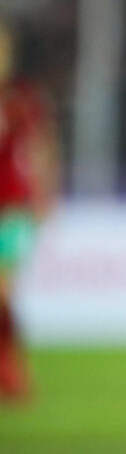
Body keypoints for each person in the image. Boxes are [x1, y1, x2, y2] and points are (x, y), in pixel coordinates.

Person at [0, 21, 59, 402]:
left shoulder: (21, 99)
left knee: (4, 290)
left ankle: (11, 369)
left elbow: (41, 149)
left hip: (12, 208)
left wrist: (46, 196)